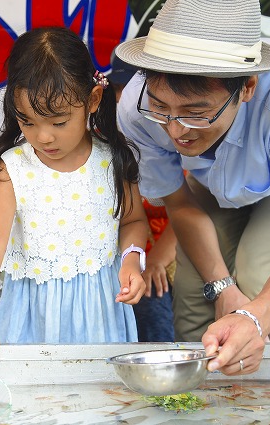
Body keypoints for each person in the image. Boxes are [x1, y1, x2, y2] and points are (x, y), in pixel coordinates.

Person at [115, 0, 270, 375]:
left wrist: (254, 319)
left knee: (258, 276)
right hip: (212, 178)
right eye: (162, 109)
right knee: (195, 287)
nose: (175, 131)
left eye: (196, 113)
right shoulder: (136, 108)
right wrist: (221, 285)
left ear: (247, 88)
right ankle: (197, 399)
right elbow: (179, 202)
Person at [0, 26, 149, 376]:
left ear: (93, 100)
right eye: (28, 122)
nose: (43, 136)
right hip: (32, 316)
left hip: (101, 316)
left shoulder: (113, 161)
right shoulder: (14, 168)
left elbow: (134, 222)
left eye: (58, 121)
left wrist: (131, 259)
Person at [111, 49, 176, 342]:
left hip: (169, 249)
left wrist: (156, 262)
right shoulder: (107, 141)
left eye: (134, 90)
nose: (126, 98)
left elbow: (186, 209)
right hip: (123, 256)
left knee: (153, 299)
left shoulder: (174, 133)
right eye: (120, 89)